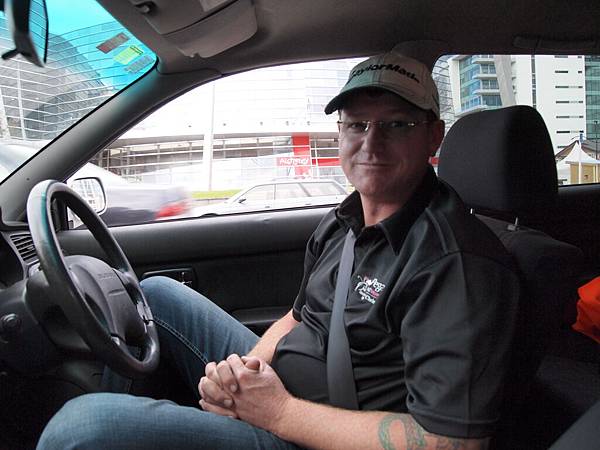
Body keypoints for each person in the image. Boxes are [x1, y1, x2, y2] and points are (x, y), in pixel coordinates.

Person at [37, 52, 520, 450]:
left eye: (396, 124)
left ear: (433, 135)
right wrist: (239, 376)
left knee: (80, 428)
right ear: (340, 134)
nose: (371, 143)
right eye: (357, 124)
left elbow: (451, 442)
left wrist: (277, 412)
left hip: (313, 433)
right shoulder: (345, 220)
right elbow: (298, 316)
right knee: (156, 295)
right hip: (279, 395)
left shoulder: (456, 264)